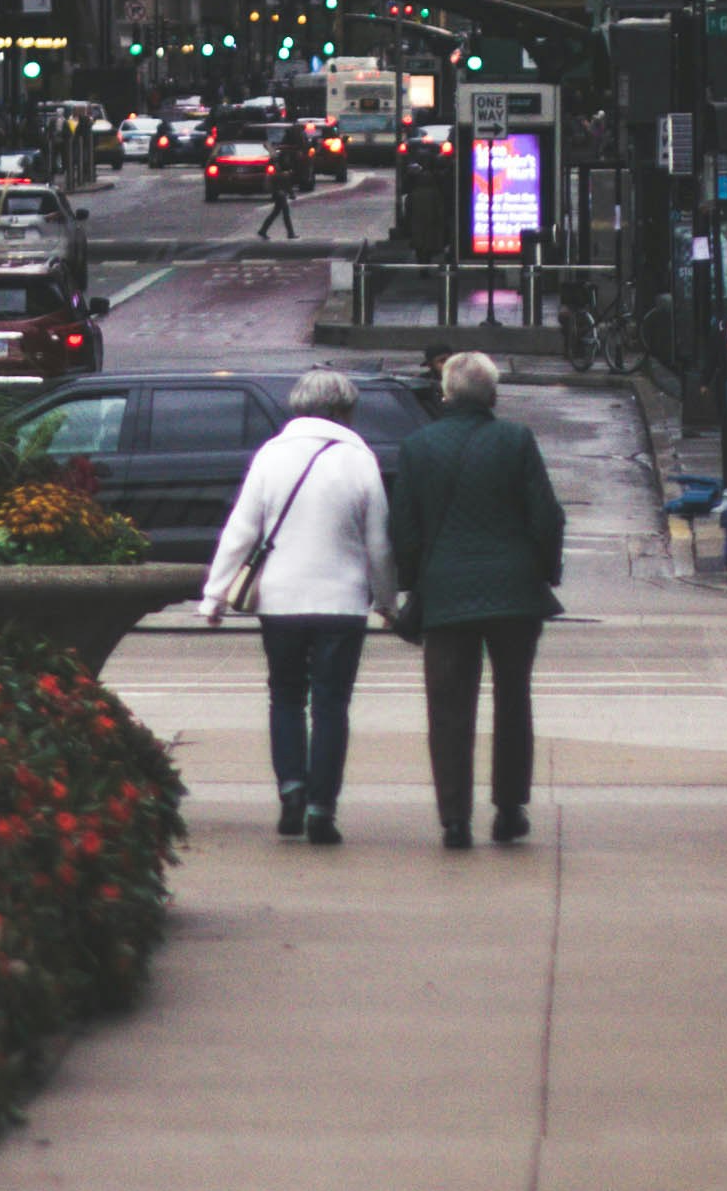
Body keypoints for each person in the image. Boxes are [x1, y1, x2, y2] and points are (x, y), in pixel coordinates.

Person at [382, 347, 564, 850]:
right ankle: (509, 809)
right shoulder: (516, 440)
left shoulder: (418, 446)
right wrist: (543, 573)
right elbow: (546, 517)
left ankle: (455, 819)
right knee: (513, 699)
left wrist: (417, 582)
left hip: (445, 591)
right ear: (493, 395)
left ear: (444, 394)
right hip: (514, 591)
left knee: (448, 707)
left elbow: (406, 529)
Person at [205, 370, 393, 849]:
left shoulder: (270, 456)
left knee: (286, 696)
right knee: (332, 706)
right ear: (347, 409)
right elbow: (379, 544)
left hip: (281, 600)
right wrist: (388, 601)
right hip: (343, 603)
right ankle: (321, 809)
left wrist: (214, 596)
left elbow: (241, 531)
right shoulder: (359, 460)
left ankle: (291, 786)